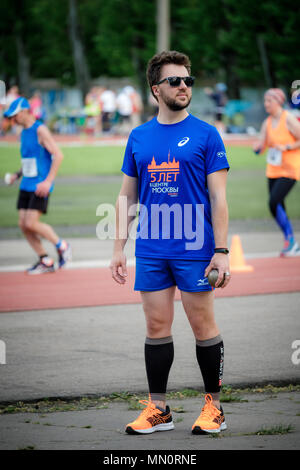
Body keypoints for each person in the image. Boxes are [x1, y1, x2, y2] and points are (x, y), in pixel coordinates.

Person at [110, 50, 231, 435]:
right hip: (151, 247)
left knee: (202, 325)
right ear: (154, 89)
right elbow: (127, 197)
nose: (183, 86)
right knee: (157, 324)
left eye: (188, 80)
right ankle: (159, 409)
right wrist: (118, 248)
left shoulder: (207, 134)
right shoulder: (138, 136)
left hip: (196, 248)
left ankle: (214, 407)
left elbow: (219, 199)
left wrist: (223, 251)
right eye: (174, 81)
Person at [4, 97, 72, 274]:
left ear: (25, 111)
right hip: (26, 184)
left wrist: (48, 181)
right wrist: (16, 175)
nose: (13, 119)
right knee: (23, 224)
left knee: (31, 223)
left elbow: (58, 155)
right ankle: (45, 259)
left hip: (40, 185)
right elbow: (29, 160)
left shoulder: (40, 130)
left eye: (15, 115)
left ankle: (62, 245)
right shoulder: (23, 132)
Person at [253, 88, 300, 256]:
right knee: (276, 205)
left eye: (269, 101)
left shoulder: (289, 119)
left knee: (274, 201)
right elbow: (262, 144)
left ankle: (291, 240)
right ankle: (291, 241)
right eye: (265, 101)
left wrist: (287, 147)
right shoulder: (267, 122)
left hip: (290, 169)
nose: (266, 104)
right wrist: (257, 148)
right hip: (273, 169)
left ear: (278, 102)